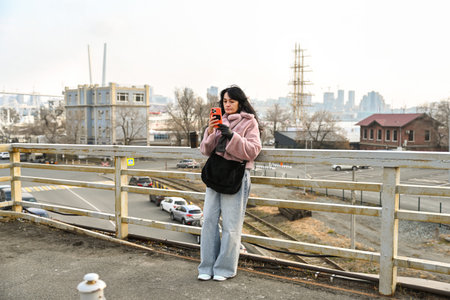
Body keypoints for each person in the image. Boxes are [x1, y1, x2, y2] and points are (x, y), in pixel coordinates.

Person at [197, 85, 262, 281]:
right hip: (216, 174)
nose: (227, 105)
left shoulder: (250, 123)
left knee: (231, 225)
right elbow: (206, 151)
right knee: (208, 220)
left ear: (240, 103)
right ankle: (206, 266)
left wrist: (232, 136)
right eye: (224, 101)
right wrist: (210, 131)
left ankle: (224, 269)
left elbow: (253, 151)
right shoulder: (219, 120)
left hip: (236, 175)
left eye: (231, 101)